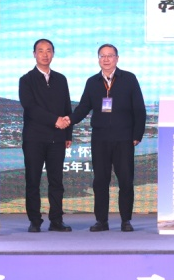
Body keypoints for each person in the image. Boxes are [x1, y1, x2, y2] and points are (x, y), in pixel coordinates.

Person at [65, 44, 146, 232]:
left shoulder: (129, 79)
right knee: (100, 181)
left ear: (117, 58)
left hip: (124, 138)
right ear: (98, 59)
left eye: (110, 55)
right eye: (103, 56)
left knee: (125, 180)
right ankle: (101, 221)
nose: (106, 59)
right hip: (100, 138)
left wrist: (137, 134)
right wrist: (68, 120)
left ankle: (126, 220)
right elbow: (83, 108)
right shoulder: (92, 82)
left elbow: (139, 109)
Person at [19, 39, 73, 233]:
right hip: (34, 138)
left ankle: (56, 220)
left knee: (56, 181)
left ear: (53, 54)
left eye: (48, 51)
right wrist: (55, 120)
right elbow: (30, 108)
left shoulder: (61, 79)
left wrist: (68, 134)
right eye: (40, 51)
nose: (45, 54)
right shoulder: (26, 80)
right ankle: (35, 220)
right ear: (34, 54)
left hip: (57, 138)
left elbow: (67, 107)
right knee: (33, 181)